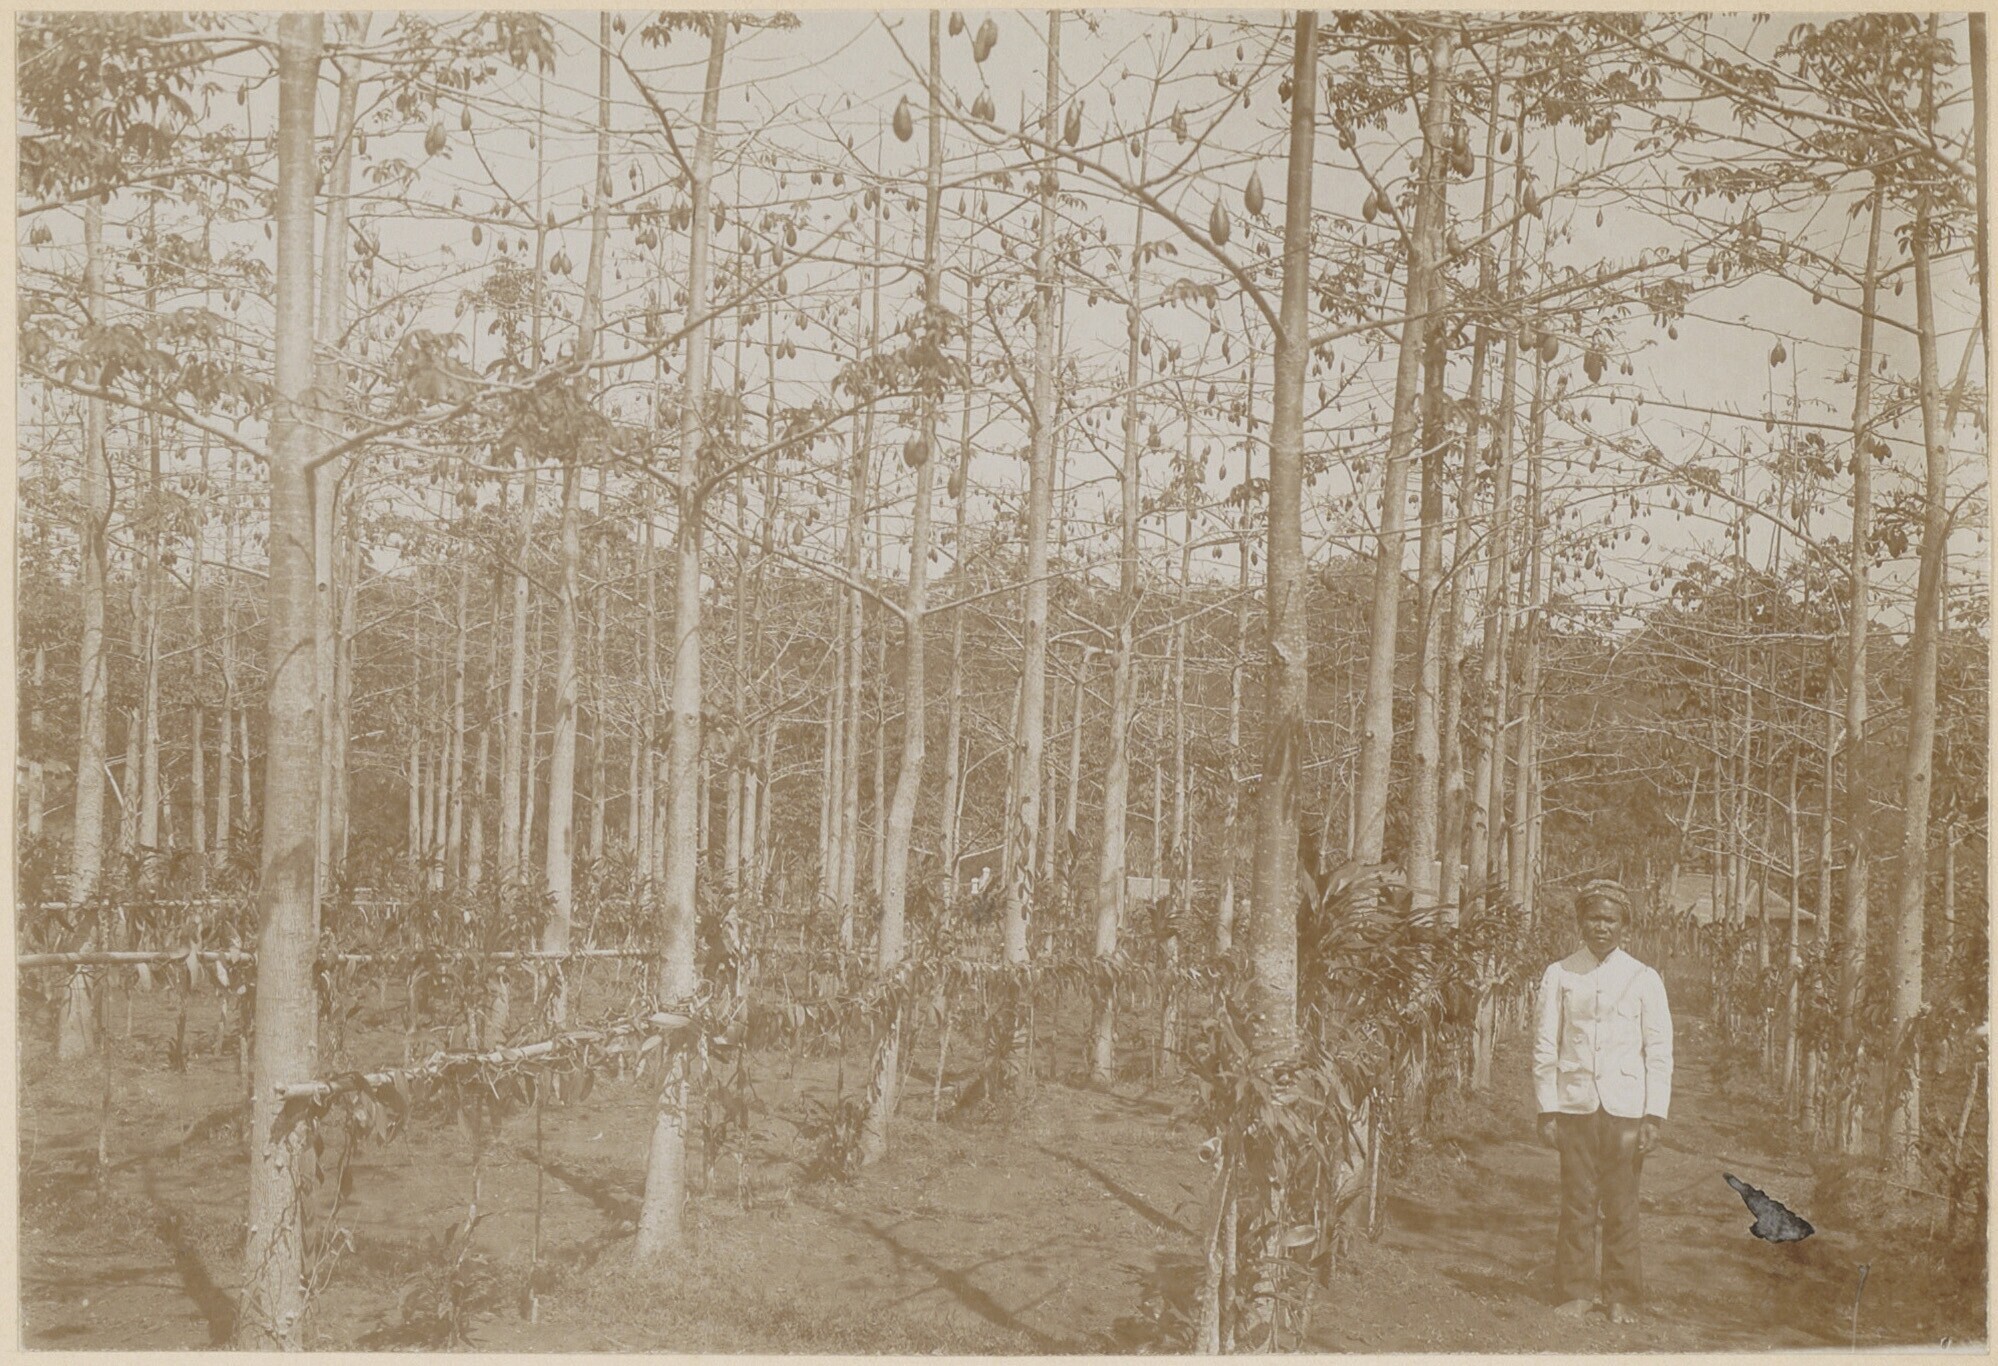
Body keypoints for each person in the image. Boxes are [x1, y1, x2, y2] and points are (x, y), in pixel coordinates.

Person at [1532, 880, 1673, 1324]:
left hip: (1625, 1110)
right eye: (1593, 918)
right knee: (1577, 1201)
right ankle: (1574, 1292)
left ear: (1624, 925)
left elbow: (1659, 1050)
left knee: (1622, 1204)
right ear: (1580, 922)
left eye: (1610, 919)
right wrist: (1547, 1109)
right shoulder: (1560, 974)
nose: (1601, 927)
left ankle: (1621, 1297)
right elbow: (1544, 1045)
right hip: (1575, 1106)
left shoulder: (1643, 978)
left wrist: (1654, 1115)